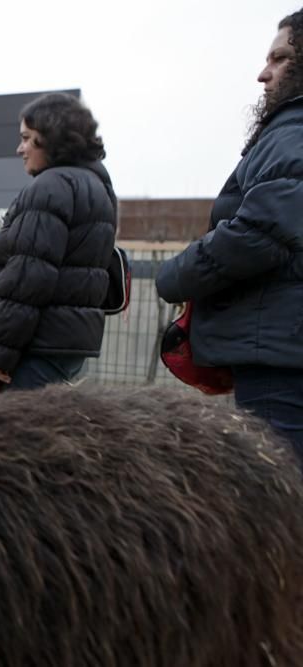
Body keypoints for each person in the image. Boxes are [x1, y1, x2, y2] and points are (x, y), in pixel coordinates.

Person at [156, 9, 303, 459]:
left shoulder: (292, 131)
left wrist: (174, 276)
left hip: (280, 362)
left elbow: (260, 232)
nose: (264, 74)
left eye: (280, 59)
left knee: (278, 505)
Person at [0, 93, 117, 391]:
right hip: (67, 341)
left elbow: (29, 277)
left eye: (27, 138)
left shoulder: (50, 186)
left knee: (17, 433)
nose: (20, 148)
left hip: (36, 343)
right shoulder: (95, 184)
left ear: (53, 137)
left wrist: (0, 351)